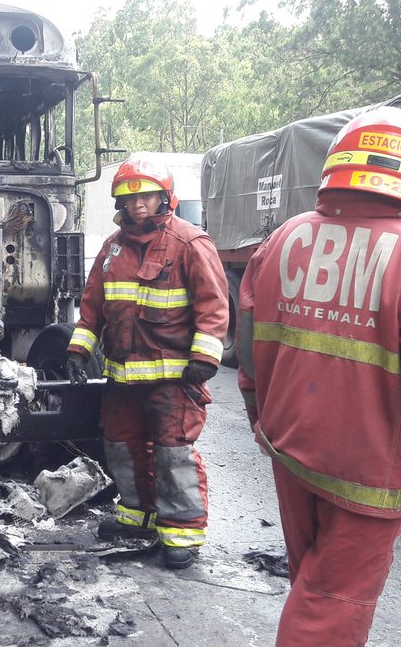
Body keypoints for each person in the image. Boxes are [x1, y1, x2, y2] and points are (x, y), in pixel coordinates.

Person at [237, 107, 401, 644]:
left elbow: (249, 354)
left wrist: (263, 422)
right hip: (369, 468)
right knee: (331, 606)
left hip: (291, 450)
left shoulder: (283, 238)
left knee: (310, 581)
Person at [65, 153, 230, 570]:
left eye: (147, 197)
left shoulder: (190, 243)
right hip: (122, 376)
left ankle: (183, 532)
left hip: (174, 377)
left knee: (173, 455)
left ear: (165, 197)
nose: (138, 206)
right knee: (121, 446)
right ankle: (137, 518)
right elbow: (92, 307)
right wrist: (78, 349)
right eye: (129, 198)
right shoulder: (112, 248)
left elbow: (214, 307)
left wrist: (205, 358)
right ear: (120, 203)